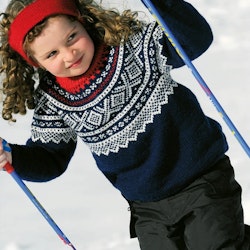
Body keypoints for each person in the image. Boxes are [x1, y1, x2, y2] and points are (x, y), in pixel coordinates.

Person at [0, 0, 249, 249]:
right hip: (147, 207)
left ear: (83, 22)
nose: (69, 54)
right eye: (51, 54)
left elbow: (195, 40)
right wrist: (14, 157)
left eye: (72, 37)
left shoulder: (130, 46)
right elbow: (50, 157)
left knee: (217, 244)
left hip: (202, 180)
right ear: (36, 62)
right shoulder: (54, 100)